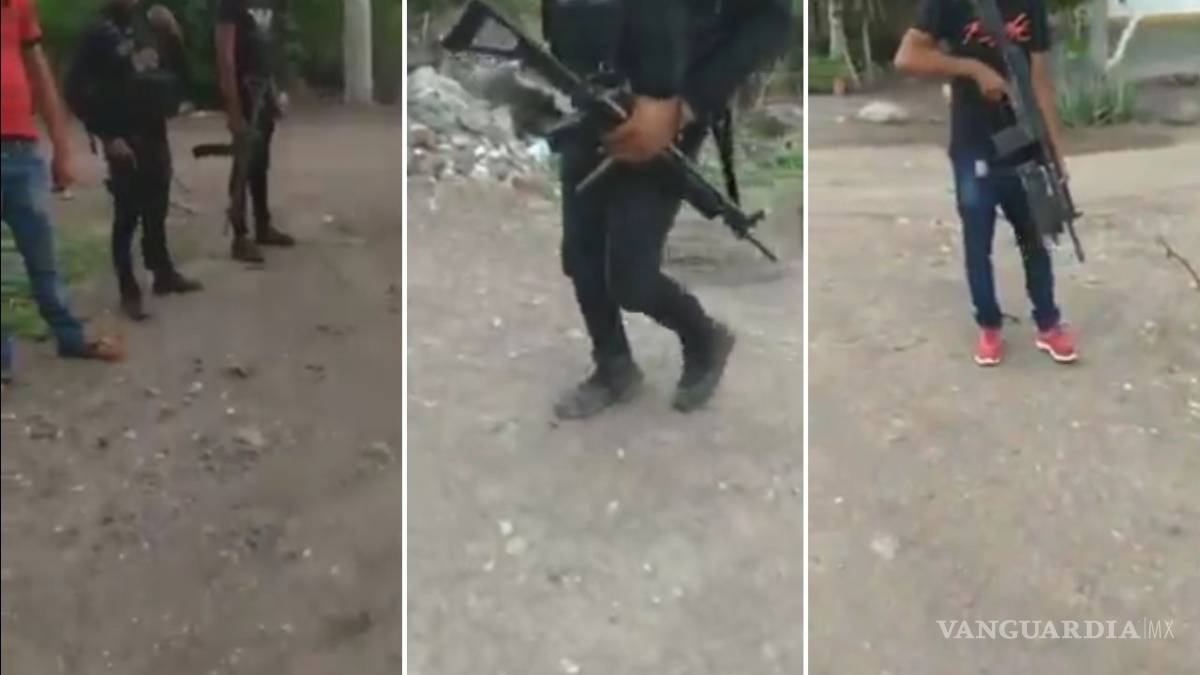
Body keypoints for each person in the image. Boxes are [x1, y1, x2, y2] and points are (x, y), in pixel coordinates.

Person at [545, 0, 792, 419]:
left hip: (667, 108)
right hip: (593, 96)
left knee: (632, 278)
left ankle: (704, 338)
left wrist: (688, 104)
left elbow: (773, 19)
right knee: (581, 254)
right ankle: (614, 366)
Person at [894, 0, 1078, 366]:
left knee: (1035, 236)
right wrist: (972, 69)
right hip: (973, 144)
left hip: (1024, 140)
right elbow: (907, 57)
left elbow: (1040, 79)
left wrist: (1056, 150)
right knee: (978, 242)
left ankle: (1048, 323)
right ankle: (989, 326)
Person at [1, 0, 123, 384]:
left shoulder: (17, 5)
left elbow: (39, 71)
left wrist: (61, 147)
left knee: (42, 252)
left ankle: (69, 335)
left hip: (20, 150)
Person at [71, 0, 202, 321]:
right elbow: (74, 90)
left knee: (157, 206)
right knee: (127, 213)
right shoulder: (98, 31)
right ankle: (128, 288)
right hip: (122, 135)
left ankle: (162, 272)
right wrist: (106, 136)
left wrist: (174, 35)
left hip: (153, 129)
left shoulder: (148, 23)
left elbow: (176, 74)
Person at [215, 0, 295, 263]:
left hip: (264, 90)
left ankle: (263, 225)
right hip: (244, 91)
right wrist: (233, 108)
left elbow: (272, 49)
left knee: (260, 162)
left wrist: (277, 91)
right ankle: (239, 235)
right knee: (244, 162)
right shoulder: (230, 4)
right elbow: (225, 56)